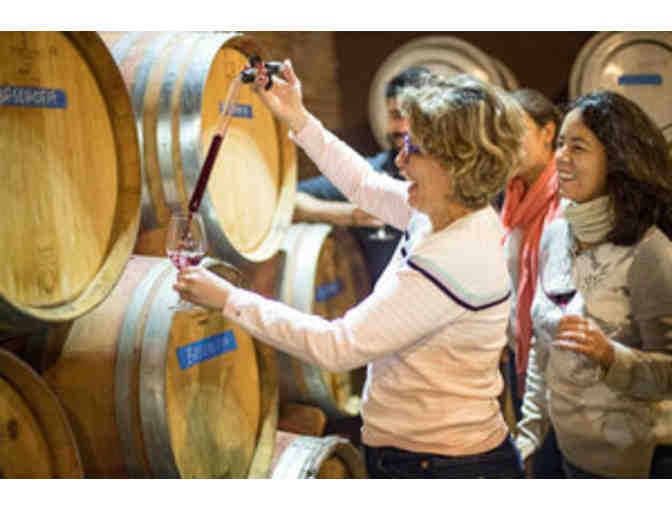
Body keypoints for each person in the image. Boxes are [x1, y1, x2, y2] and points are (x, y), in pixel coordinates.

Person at [174, 62, 527, 478]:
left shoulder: (452, 259)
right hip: (430, 457)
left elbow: (337, 346)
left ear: (456, 166)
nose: (400, 159)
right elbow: (363, 184)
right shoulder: (449, 212)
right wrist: (298, 117)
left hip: (444, 467)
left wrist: (228, 298)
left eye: (415, 149)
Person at [515, 89, 672, 478]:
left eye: (578, 147)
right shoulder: (555, 234)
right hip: (566, 454)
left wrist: (610, 356)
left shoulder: (650, 251)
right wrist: (529, 434)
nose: (560, 157)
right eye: (561, 144)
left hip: (638, 465)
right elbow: (542, 345)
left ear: (617, 159)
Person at [294, 67, 429, 285]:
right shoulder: (372, 172)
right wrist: (350, 215)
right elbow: (290, 200)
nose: (403, 127)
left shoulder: (456, 183)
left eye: (411, 117)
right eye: (395, 115)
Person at [498, 89, 564, 477]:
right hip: (519, 349)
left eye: (516, 131)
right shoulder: (513, 193)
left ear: (547, 132)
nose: (505, 142)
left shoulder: (564, 198)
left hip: (556, 359)